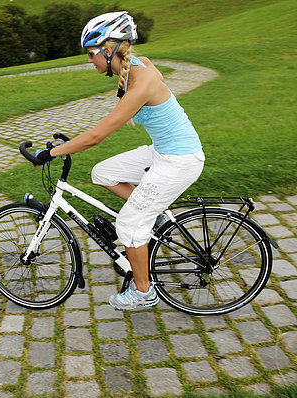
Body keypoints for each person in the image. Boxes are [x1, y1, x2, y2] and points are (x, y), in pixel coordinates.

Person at [33, 11, 205, 310]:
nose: (90, 60)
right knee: (104, 172)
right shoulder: (135, 67)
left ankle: (144, 292)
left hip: (180, 160)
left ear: (108, 50)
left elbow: (97, 135)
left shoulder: (142, 80)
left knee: (128, 224)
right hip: (163, 151)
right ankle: (157, 216)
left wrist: (50, 153)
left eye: (91, 53)